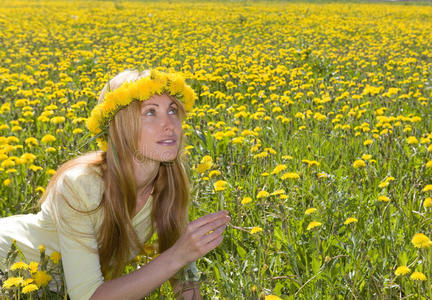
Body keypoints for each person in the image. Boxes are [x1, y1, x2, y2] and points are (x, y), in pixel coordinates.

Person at [0, 69, 230, 299]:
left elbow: (185, 284)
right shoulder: (79, 186)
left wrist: (182, 257)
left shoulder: (170, 183)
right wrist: (177, 256)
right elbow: (88, 297)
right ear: (121, 127)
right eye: (151, 112)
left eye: (172, 110)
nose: (169, 124)